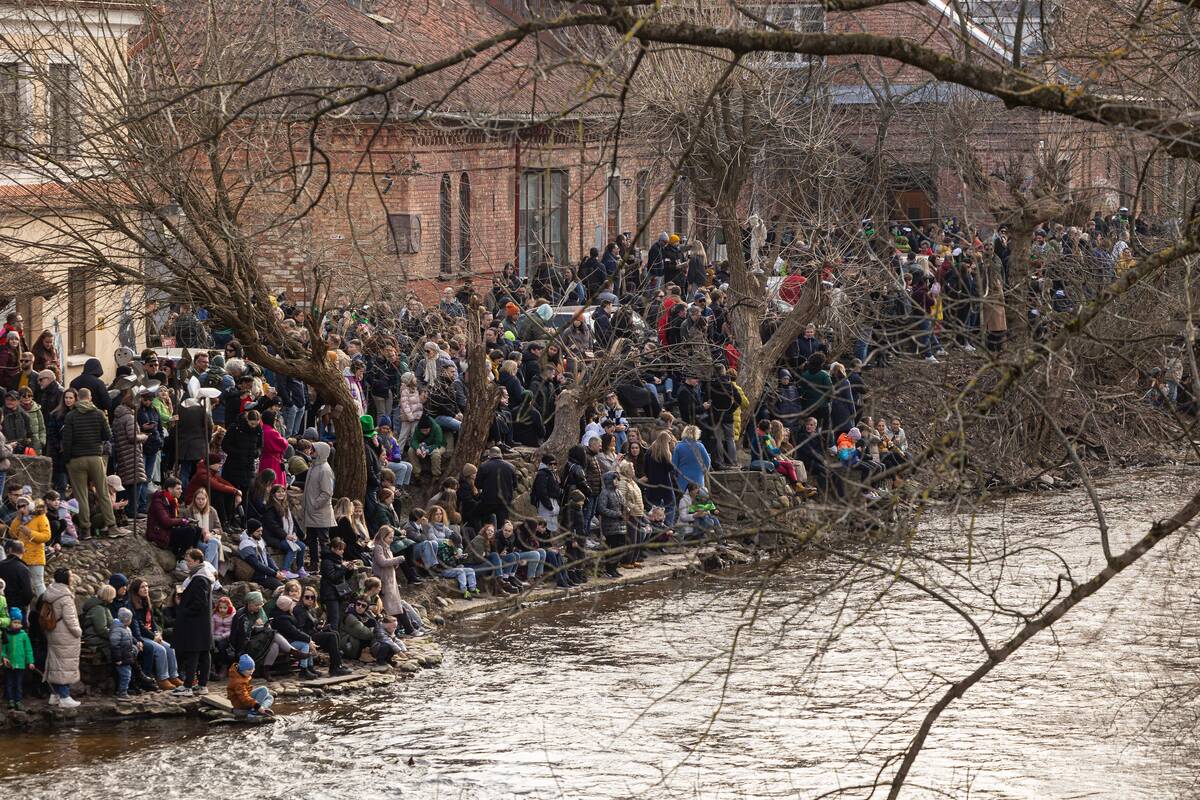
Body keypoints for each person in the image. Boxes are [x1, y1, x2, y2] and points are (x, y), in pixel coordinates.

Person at [62, 387, 119, 539]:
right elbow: (107, 435)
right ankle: (112, 526)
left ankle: (85, 530)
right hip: (95, 457)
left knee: (81, 496)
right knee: (103, 493)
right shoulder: (99, 414)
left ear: (77, 398)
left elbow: (66, 441)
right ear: (90, 397)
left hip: (76, 459)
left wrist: (66, 460)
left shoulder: (71, 416)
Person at [128, 577, 181, 690]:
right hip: (141, 636)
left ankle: (173, 676)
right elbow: (139, 626)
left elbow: (152, 621)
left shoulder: (146, 602)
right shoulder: (132, 604)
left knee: (170, 648)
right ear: (136, 589)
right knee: (160, 650)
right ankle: (162, 679)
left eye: (147, 586)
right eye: (142, 587)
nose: (146, 589)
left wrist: (157, 633)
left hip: (151, 634)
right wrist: (153, 637)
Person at [174, 548, 214, 696]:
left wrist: (184, 608)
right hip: (203, 623)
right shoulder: (204, 576)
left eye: (189, 561)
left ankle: (188, 686)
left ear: (197, 561)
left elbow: (199, 603)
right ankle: (202, 685)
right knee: (204, 654)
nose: (187, 564)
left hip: (196, 624)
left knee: (193, 654)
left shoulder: (199, 579)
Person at [41, 568, 83, 708]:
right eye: (71, 576)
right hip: (65, 634)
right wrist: (78, 632)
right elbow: (71, 619)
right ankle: (64, 696)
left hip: (53, 631)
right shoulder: (65, 596)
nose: (72, 578)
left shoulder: (50, 592)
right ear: (66, 578)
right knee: (65, 664)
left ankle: (55, 695)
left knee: (55, 662)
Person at [296, 586, 352, 677]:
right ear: (302, 598)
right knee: (331, 636)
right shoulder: (299, 610)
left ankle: (338, 664)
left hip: (312, 633)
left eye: (312, 597)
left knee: (334, 633)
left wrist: (320, 627)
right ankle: (335, 667)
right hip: (306, 637)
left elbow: (311, 625)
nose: (310, 599)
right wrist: (308, 640)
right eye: (307, 597)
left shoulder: (309, 609)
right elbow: (300, 628)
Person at [146, 477, 203, 560]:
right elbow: (166, 522)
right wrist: (182, 521)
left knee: (198, 529)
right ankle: (180, 559)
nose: (181, 491)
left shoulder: (172, 500)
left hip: (167, 530)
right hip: (158, 533)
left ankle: (192, 557)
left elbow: (173, 519)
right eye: (178, 489)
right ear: (170, 489)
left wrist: (186, 521)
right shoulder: (158, 501)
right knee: (190, 530)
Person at [302, 441, 336, 571]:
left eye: (314, 450)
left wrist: (315, 504)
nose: (311, 451)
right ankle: (314, 564)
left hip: (320, 512)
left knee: (323, 541)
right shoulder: (313, 466)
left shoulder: (325, 469)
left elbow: (327, 492)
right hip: (311, 511)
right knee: (311, 539)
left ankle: (326, 565)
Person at [262, 483, 307, 578]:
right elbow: (273, 526)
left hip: (285, 536)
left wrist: (296, 534)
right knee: (292, 547)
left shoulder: (285, 506)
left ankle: (300, 568)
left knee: (302, 546)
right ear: (273, 494)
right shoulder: (270, 508)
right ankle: (285, 571)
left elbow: (292, 523)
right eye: (278, 492)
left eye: (283, 491)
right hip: (274, 537)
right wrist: (286, 536)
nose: (281, 494)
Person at [10, 496, 50, 597]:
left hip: (36, 557)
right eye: (18, 506)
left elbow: (46, 536)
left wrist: (30, 533)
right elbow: (12, 534)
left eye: (24, 505)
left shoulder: (41, 517)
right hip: (21, 557)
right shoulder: (19, 519)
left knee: (38, 583)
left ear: (30, 505)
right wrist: (18, 520)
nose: (21, 509)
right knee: (22, 585)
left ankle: (44, 607)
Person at [476, 446, 518, 528]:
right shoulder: (511, 467)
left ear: (490, 455)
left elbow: (478, 484)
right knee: (502, 525)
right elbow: (515, 485)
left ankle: (488, 539)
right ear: (501, 454)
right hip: (504, 501)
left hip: (488, 500)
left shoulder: (483, 466)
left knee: (487, 525)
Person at [238, 520, 286, 590]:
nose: (261, 533)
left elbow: (268, 557)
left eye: (261, 530)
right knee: (284, 589)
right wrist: (274, 574)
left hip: (268, 574)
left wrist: (276, 570)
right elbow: (256, 564)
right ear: (251, 532)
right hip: (259, 577)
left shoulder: (259, 539)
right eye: (258, 531)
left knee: (292, 584)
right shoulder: (245, 545)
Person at [596, 472, 626, 578]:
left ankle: (614, 568)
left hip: (620, 525)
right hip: (609, 526)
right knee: (612, 548)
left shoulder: (618, 492)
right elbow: (601, 509)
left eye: (618, 479)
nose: (617, 481)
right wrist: (616, 514)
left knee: (620, 548)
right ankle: (609, 569)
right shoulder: (605, 493)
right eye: (615, 479)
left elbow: (623, 504)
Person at [3, 607, 34, 710]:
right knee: (9, 683)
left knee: (18, 683)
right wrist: (3, 657)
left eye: (19, 622)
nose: (17, 624)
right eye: (14, 622)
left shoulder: (24, 635)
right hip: (9, 665)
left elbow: (28, 650)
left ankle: (18, 700)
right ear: (10, 622)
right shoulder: (6, 635)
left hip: (20, 664)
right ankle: (10, 700)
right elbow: (2, 649)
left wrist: (30, 661)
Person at [227, 654, 274, 719]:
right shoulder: (238, 682)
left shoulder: (242, 674)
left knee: (270, 697)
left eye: (253, 669)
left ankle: (262, 708)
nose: (251, 671)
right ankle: (254, 711)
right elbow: (244, 698)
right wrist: (256, 705)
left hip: (245, 697)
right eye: (249, 670)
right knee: (263, 689)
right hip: (240, 703)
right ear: (242, 670)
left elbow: (246, 692)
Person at [109, 607, 139, 701]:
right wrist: (118, 659)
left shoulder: (127, 628)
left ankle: (122, 691)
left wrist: (136, 644)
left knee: (126, 675)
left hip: (126, 657)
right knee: (125, 676)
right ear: (127, 620)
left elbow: (130, 639)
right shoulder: (118, 630)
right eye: (130, 619)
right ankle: (122, 693)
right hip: (121, 658)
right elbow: (114, 645)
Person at [672, 425, 711, 493]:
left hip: (683, 478)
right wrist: (703, 472)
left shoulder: (678, 447)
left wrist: (675, 475)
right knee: (699, 499)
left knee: (685, 499)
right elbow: (707, 461)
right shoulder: (700, 446)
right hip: (698, 478)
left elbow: (674, 465)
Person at [0, 539, 33, 618]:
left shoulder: (1, 565)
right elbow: (28, 593)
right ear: (23, 551)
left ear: (10, 550)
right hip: (17, 609)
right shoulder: (23, 568)